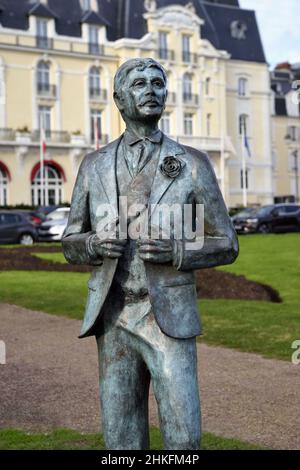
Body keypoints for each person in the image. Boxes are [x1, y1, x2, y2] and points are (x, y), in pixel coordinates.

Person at [62, 58, 239, 450]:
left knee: (183, 435)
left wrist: (177, 249)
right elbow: (70, 239)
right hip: (113, 316)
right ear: (118, 99)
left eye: (158, 83)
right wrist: (92, 244)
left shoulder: (192, 163)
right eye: (140, 83)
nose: (151, 90)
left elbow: (226, 242)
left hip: (168, 316)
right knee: (121, 438)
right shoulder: (93, 166)